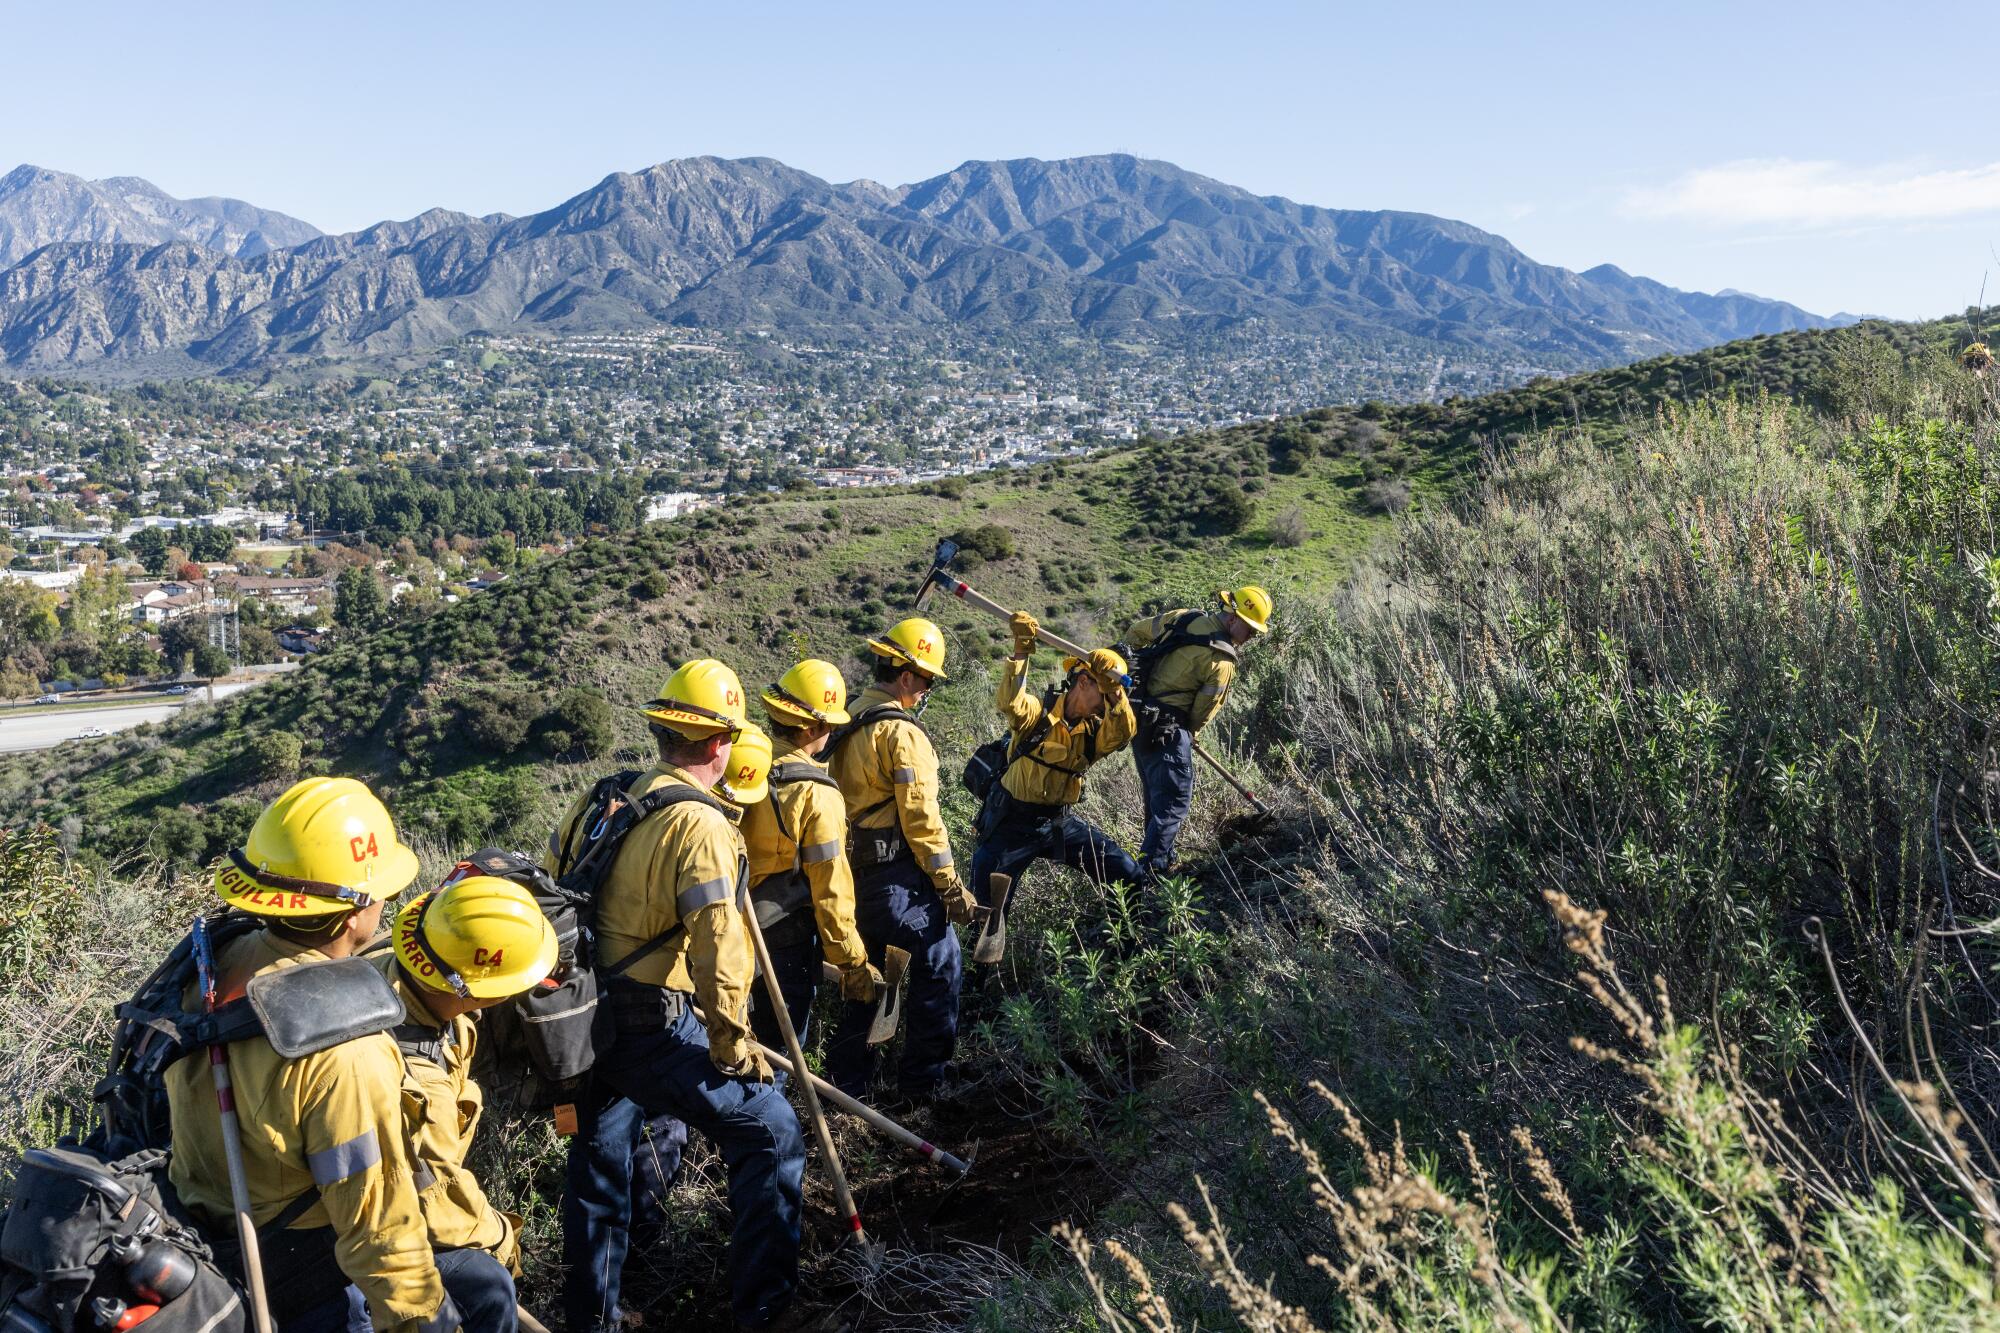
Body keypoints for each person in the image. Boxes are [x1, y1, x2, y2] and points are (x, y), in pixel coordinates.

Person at [552, 659, 807, 1333]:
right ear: (721, 743)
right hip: (651, 1028)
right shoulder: (703, 828)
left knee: (599, 1171)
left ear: (665, 730)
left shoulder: (604, 796)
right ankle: (765, 1309)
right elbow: (721, 947)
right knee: (773, 1129)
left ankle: (598, 1315)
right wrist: (733, 1044)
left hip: (581, 1020)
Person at [165, 777, 458, 1333]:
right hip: (299, 1272)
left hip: (194, 1233)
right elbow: (376, 1221)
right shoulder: (346, 1050)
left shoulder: (211, 962)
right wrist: (419, 1318)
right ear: (354, 914)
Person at [372, 874, 561, 1333]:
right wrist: (500, 1237)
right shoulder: (420, 1082)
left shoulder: (395, 966)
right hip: (375, 1225)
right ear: (475, 990)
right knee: (488, 1287)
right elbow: (439, 1205)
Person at [825, 618, 980, 1105]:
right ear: (908, 676)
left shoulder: (843, 720)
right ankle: (923, 1086)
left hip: (848, 878)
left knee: (867, 978)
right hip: (893, 877)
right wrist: (949, 885)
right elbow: (922, 821)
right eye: (928, 679)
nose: (927, 689)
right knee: (940, 960)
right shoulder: (901, 734)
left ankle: (849, 1091)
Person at [744, 661, 879, 1065]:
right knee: (778, 1056)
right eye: (828, 726)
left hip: (733, 932)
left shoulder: (745, 768)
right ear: (809, 728)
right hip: (783, 942)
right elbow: (831, 891)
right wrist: (852, 963)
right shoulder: (816, 795)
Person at [969, 612, 1141, 918]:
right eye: (1104, 691)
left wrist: (1115, 690)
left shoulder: (1094, 733)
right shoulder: (1038, 715)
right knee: (987, 915)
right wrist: (1022, 649)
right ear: (1084, 681)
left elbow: (1124, 731)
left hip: (1058, 824)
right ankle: (981, 967)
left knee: (1129, 876)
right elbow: (1011, 702)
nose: (1108, 703)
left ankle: (1123, 947)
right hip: (1011, 825)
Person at [1123, 585, 1273, 877]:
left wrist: (1128, 674)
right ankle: (1151, 873)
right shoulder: (1222, 661)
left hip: (1138, 722)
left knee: (1158, 800)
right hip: (1169, 730)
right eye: (1251, 629)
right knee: (1174, 801)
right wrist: (1190, 736)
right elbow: (1203, 711)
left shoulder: (1184, 617)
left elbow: (1136, 633)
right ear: (1233, 619)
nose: (1253, 636)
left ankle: (1164, 859)